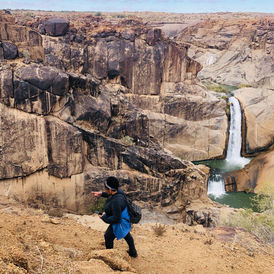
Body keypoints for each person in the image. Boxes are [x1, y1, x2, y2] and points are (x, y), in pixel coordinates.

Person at [91, 176, 138, 258]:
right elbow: (109, 194)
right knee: (126, 233)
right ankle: (133, 252)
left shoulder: (116, 202)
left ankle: (110, 256)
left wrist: (104, 217)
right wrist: (101, 194)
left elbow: (117, 219)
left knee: (108, 236)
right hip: (126, 216)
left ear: (109, 189)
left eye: (105, 189)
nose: (105, 190)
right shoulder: (118, 190)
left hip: (121, 221)